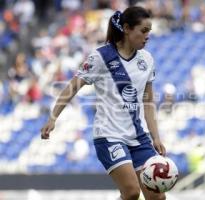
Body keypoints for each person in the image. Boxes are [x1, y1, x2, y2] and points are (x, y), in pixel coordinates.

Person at [41, 6, 167, 200]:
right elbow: (73, 86)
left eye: (149, 31)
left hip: (139, 138)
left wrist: (155, 137)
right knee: (132, 192)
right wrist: (53, 117)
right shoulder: (101, 57)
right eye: (143, 31)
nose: (148, 35)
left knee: (157, 197)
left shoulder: (147, 60)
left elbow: (148, 102)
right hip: (109, 136)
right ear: (126, 28)